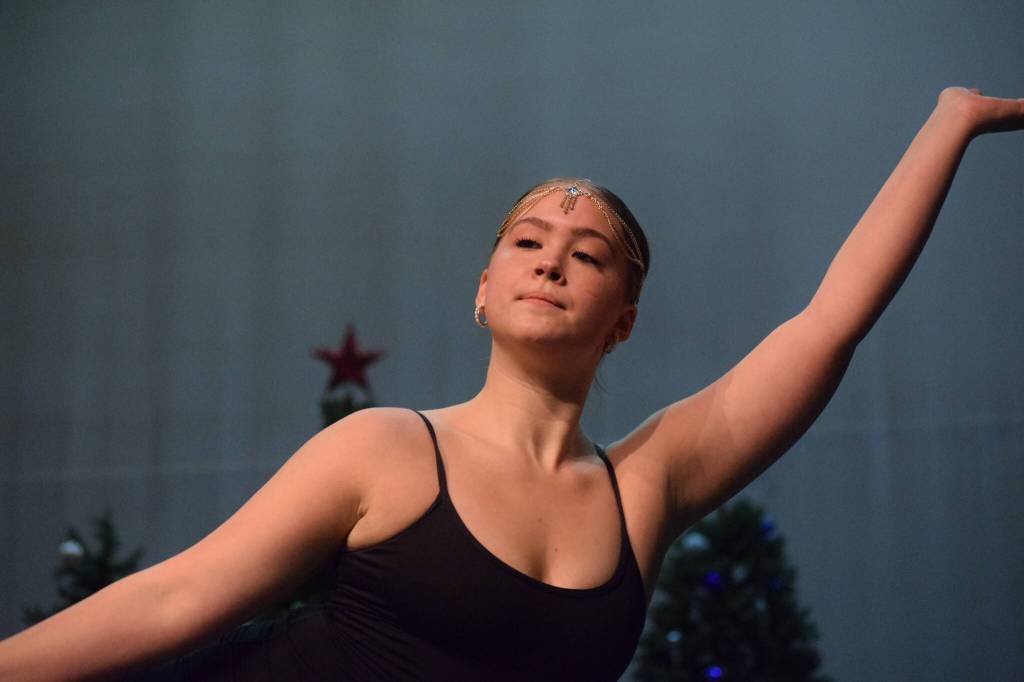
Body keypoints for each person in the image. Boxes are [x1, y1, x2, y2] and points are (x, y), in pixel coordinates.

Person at [1, 86, 1021, 681]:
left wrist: (952, 122)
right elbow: (181, 594)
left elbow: (831, 322)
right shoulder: (386, 448)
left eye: (589, 252)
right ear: (482, 290)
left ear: (621, 320)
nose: (551, 259)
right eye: (528, 240)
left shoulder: (646, 487)